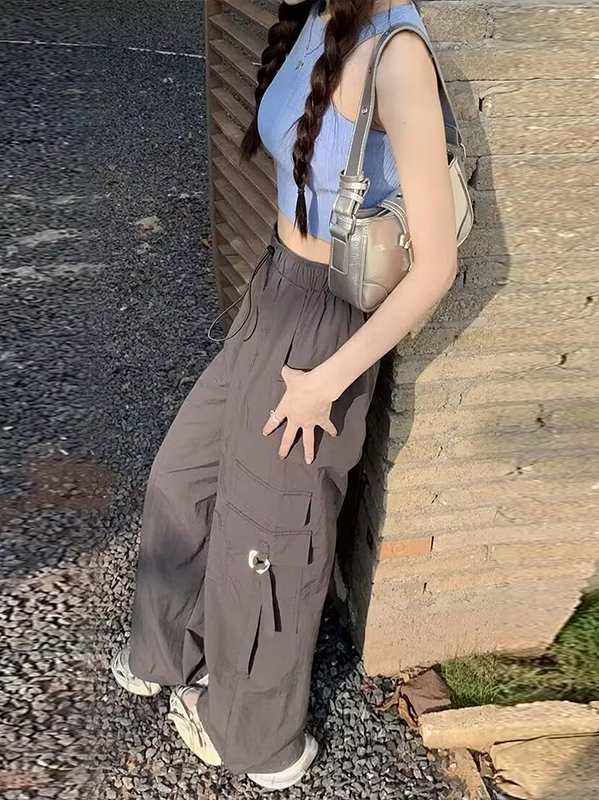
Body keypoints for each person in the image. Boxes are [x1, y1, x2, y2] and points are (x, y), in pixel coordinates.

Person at [112, 0, 458, 790]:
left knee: (267, 540)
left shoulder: (397, 56)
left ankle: (260, 740)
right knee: (182, 478)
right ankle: (175, 652)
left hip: (327, 323)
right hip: (275, 290)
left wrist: (329, 379)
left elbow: (436, 266)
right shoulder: (315, 13)